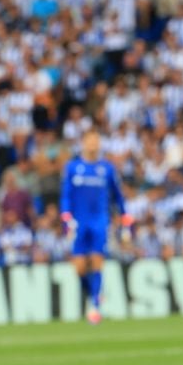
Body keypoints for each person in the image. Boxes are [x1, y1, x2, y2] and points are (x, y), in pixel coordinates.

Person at [60, 130, 133, 324]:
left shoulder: (107, 168)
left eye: (96, 140)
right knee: (79, 268)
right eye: (90, 140)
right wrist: (66, 216)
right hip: (79, 222)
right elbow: (66, 194)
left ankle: (95, 306)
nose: (93, 144)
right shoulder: (73, 167)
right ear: (83, 143)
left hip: (100, 220)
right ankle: (92, 294)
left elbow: (118, 195)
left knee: (97, 260)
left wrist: (125, 215)